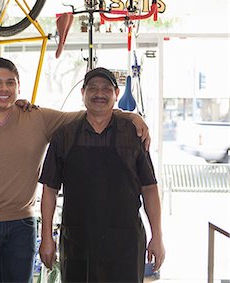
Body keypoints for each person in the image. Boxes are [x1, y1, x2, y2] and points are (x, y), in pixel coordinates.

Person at [0, 58, 151, 282]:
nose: (4, 89)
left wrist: (130, 116)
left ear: (18, 87)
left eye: (10, 83)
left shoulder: (38, 118)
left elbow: (92, 113)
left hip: (21, 224)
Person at [38, 67, 165, 282]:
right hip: (79, 240)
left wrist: (158, 236)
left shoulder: (133, 135)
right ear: (83, 93)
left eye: (106, 89)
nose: (99, 94)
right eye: (93, 88)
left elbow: (150, 188)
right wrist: (46, 237)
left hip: (125, 241)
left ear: (116, 94)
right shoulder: (64, 136)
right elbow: (49, 190)